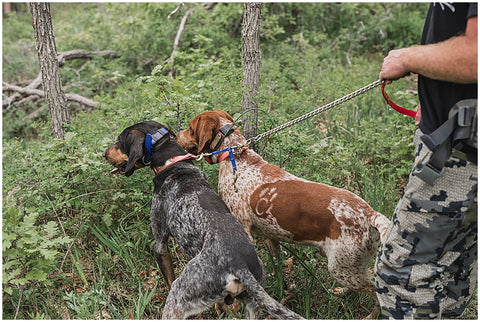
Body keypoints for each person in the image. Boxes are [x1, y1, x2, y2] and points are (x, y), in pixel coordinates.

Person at [375, 2, 477, 319]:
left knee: (400, 277)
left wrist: (406, 57)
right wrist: (434, 98)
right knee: (451, 269)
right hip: (453, 136)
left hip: (460, 156)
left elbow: (475, 55)